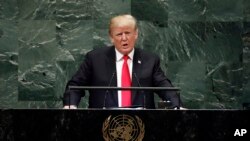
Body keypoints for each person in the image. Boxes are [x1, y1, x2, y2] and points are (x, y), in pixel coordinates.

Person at [63, 14, 182, 109]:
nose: (124, 38)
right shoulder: (95, 58)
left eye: (128, 33)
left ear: (136, 34)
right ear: (111, 37)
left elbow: (165, 87)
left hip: (142, 125)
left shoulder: (149, 60)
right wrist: (70, 105)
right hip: (101, 124)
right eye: (119, 34)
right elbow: (75, 85)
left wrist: (176, 106)